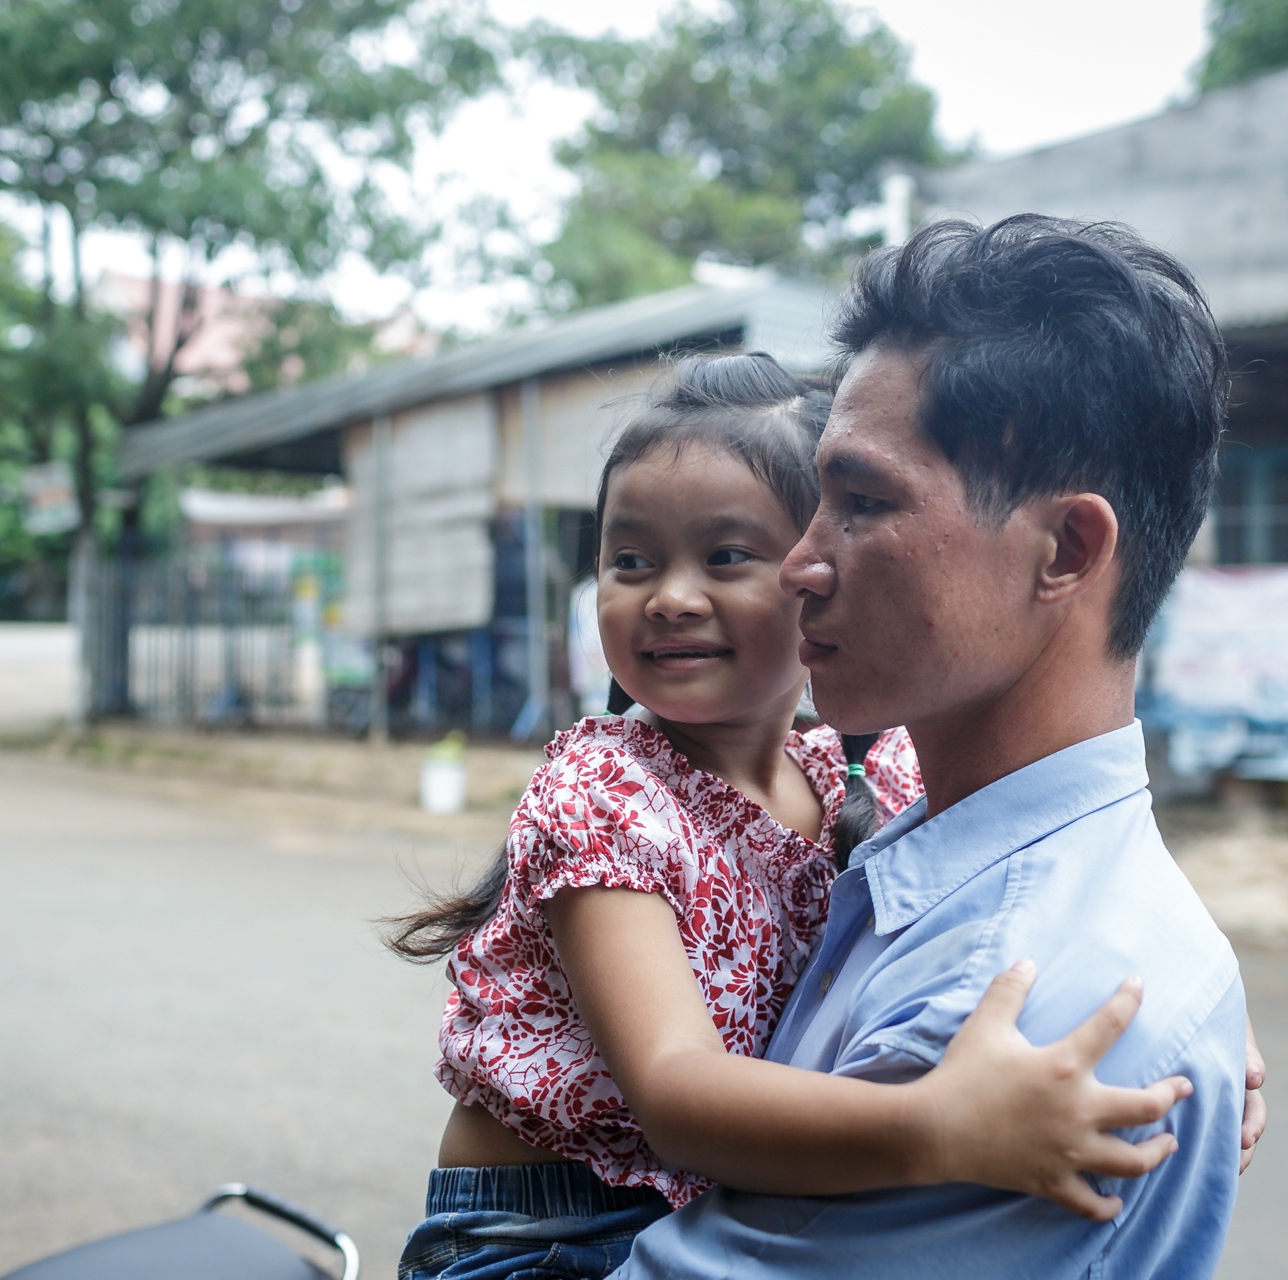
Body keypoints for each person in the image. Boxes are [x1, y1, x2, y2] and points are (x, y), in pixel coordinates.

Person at [384, 352, 1201, 1280]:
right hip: (541, 1237)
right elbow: (675, 1093)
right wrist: (937, 1129)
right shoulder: (605, 795)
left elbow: (1053, 872)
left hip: (704, 1198)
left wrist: (1182, 1038)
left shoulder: (859, 765)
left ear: (818, 571)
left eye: (727, 556)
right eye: (630, 560)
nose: (671, 596)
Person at [615, 216, 1250, 1279]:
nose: (799, 564)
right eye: (819, 497)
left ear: (1067, 549)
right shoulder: (934, 846)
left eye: (864, 503)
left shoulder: (1007, 1018)